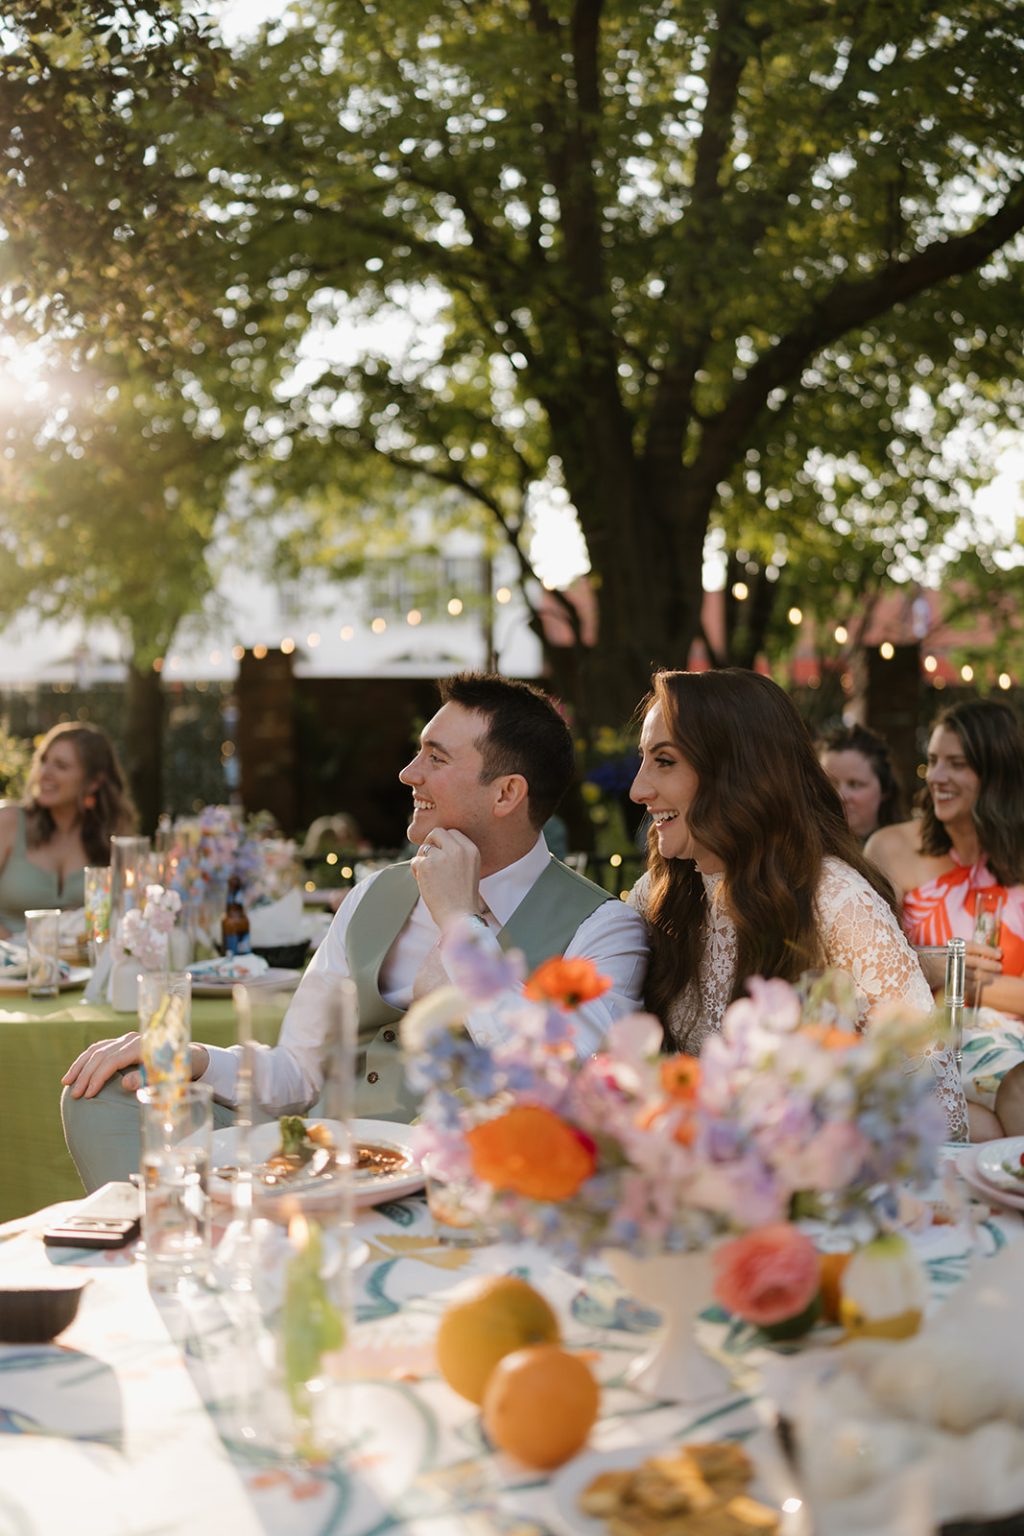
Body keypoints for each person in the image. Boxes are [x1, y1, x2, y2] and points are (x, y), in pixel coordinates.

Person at [61, 672, 650, 1190]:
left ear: (506, 793)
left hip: (467, 1182)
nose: (407, 773)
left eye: (435, 759)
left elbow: (566, 1092)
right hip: (323, 1161)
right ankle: (169, 1267)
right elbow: (296, 1073)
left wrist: (459, 923)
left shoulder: (602, 928)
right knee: (105, 1095)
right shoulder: (376, 892)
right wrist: (194, 1059)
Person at [628, 667, 966, 1139]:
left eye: (664, 761)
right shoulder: (659, 898)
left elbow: (938, 1109)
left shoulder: (836, 902)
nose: (638, 790)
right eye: (643, 760)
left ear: (738, 770)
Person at [865, 698, 1024, 1138]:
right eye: (933, 761)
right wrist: (937, 967)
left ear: (996, 776)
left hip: (1011, 1047)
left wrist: (968, 982)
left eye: (957, 764)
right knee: (988, 1123)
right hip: (924, 1038)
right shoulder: (892, 849)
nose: (936, 777)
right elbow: (864, 964)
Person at [0, 722, 136, 938]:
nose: (44, 773)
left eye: (61, 766)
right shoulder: (8, 822)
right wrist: (15, 948)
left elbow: (128, 912)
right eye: (44, 762)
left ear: (93, 782)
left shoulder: (112, 838)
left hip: (83, 968)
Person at [818, 721, 905, 842]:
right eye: (830, 783)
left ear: (885, 789)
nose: (840, 796)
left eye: (854, 784)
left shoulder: (904, 851)